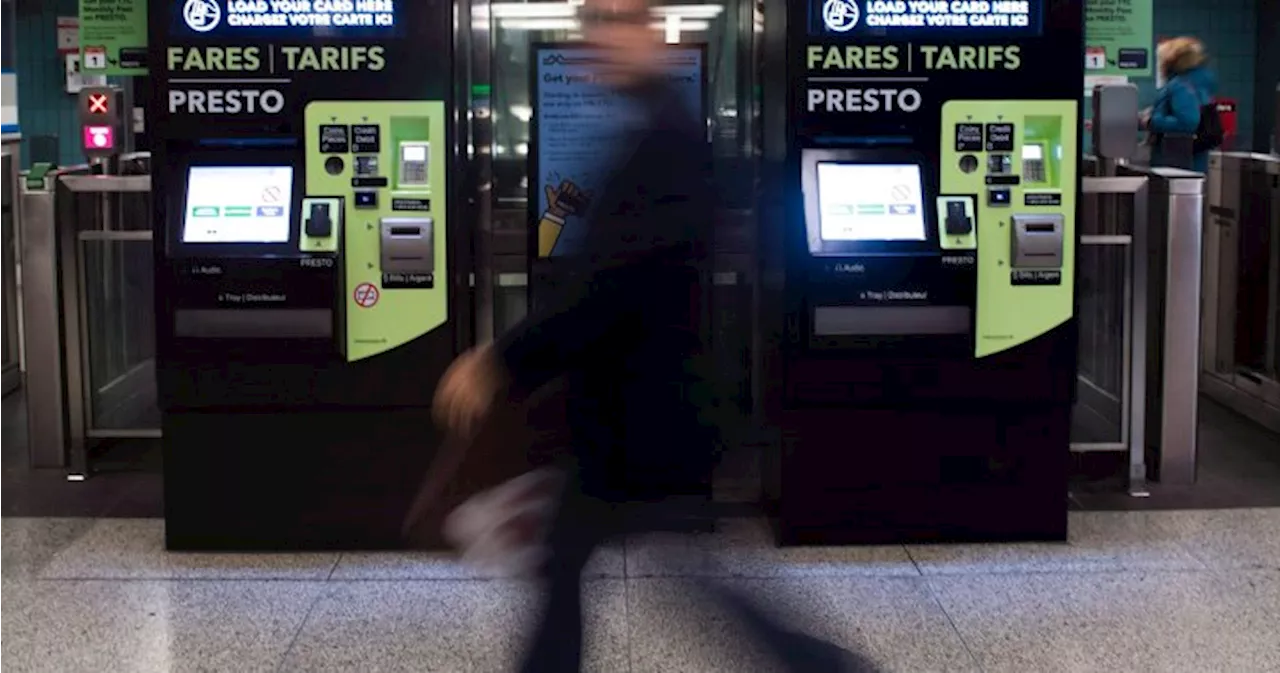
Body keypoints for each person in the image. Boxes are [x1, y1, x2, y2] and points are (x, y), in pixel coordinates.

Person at [432, 0, 876, 670]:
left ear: (655, 35)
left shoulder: (665, 140)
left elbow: (606, 285)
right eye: (593, 26)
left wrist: (501, 359)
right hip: (634, 411)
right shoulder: (653, 127)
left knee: (668, 568)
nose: (602, 40)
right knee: (585, 563)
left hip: (650, 413)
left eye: (621, 22)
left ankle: (823, 666)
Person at [1142, 36, 1219, 172]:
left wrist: (1152, 121)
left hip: (1175, 165)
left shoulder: (1180, 85)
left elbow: (1188, 121)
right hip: (1193, 161)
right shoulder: (1197, 83)